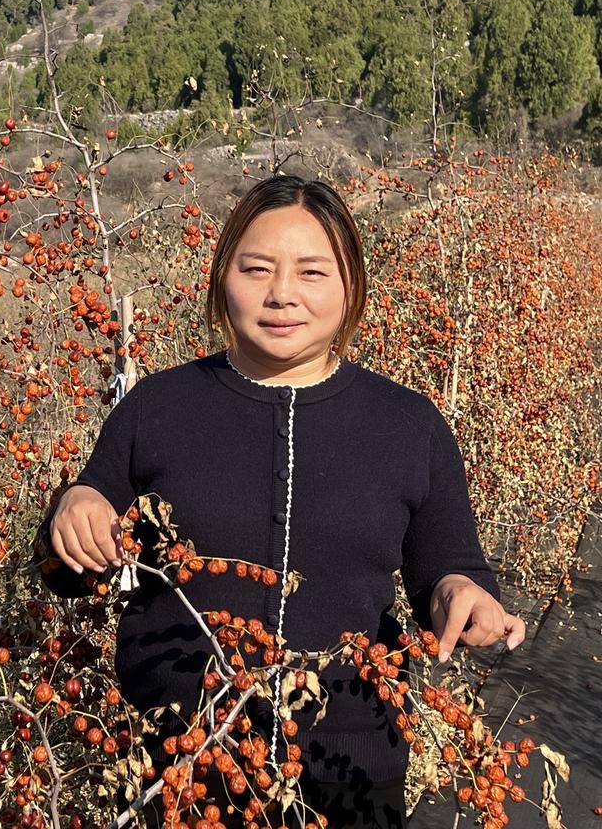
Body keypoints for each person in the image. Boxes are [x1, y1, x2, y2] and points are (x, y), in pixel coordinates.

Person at [34, 175, 526, 829]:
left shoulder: (409, 427)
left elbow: (449, 569)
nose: (282, 293)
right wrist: (75, 510)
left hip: (351, 777)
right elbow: (63, 566)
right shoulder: (156, 409)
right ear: (222, 276)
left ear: (350, 285)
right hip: (180, 765)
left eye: (313, 272)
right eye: (257, 268)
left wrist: (463, 597)